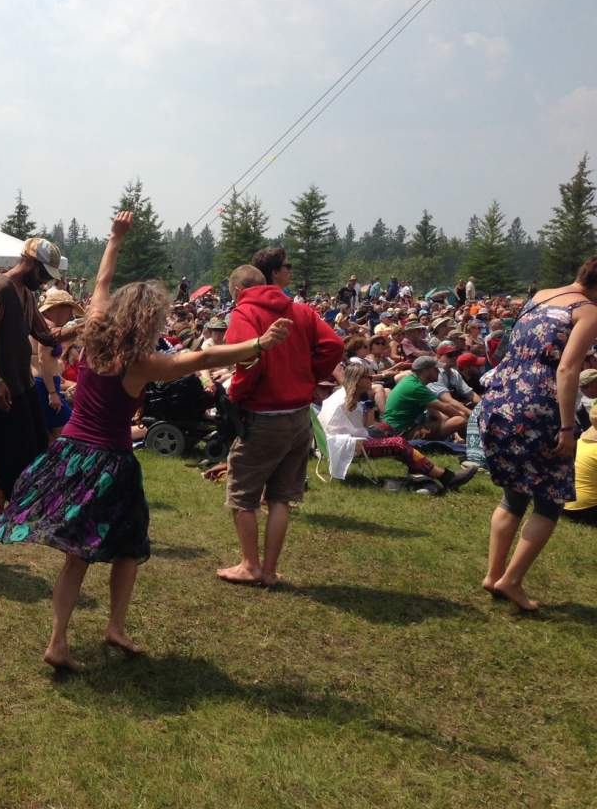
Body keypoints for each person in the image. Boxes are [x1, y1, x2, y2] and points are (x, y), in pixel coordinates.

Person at [0, 212, 292, 669]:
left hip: (70, 454)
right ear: (149, 320)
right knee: (126, 547)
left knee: (84, 555)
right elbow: (207, 355)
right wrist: (259, 345)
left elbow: (102, 282)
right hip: (110, 463)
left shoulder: (92, 332)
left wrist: (114, 237)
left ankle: (69, 638)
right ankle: (107, 628)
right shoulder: (143, 363)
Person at [478, 260, 597, 611]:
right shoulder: (588, 311)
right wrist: (566, 427)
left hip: (500, 399)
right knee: (550, 498)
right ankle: (512, 581)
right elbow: (567, 367)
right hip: (539, 407)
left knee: (513, 495)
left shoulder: (541, 297)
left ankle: (494, 574)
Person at [217, 264, 344, 587]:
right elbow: (334, 346)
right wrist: (309, 375)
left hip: (263, 413)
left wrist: (237, 392)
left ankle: (250, 565)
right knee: (280, 497)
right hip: (300, 414)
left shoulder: (243, 314)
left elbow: (248, 360)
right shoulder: (300, 310)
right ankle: (270, 570)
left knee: (243, 494)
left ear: (236, 290)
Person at [0, 237, 81, 527]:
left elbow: (45, 335)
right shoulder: (0, 289)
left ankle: (10, 510)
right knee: (9, 454)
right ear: (31, 263)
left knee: (32, 447)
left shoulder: (26, 294)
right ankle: (1, 513)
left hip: (19, 384)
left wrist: (82, 326)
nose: (46, 280)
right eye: (44, 273)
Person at [319, 363, 476, 488]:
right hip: (348, 444)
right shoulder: (344, 402)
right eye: (368, 377)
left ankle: (416, 466)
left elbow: (359, 426)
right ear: (359, 380)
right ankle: (446, 477)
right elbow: (342, 432)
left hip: (347, 440)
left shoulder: (346, 396)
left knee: (387, 430)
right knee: (398, 442)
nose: (372, 379)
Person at [33, 288, 83, 442]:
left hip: (44, 384)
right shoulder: (46, 326)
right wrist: (52, 393)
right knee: (66, 433)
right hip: (45, 385)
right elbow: (43, 359)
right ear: (57, 308)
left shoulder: (41, 323)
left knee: (48, 437)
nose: (70, 314)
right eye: (69, 309)